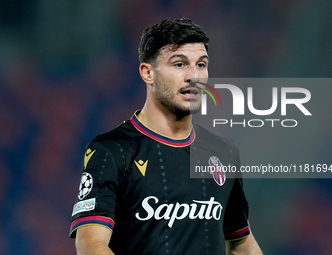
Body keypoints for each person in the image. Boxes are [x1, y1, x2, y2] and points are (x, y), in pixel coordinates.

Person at [69, 18, 262, 255]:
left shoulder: (224, 153)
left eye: (201, 65)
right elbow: (90, 244)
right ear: (148, 73)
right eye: (179, 64)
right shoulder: (112, 150)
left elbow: (241, 242)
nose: (194, 76)